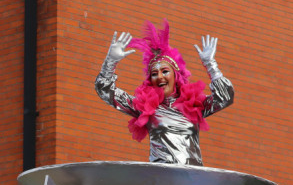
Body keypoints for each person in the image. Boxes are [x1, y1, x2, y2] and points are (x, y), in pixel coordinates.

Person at [95, 19, 234, 166]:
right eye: (154, 74)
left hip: (191, 176)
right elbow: (106, 91)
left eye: (165, 71)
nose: (160, 77)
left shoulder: (194, 105)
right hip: (161, 176)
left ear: (176, 76)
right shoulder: (146, 108)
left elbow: (225, 97)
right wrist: (110, 62)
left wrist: (210, 65)